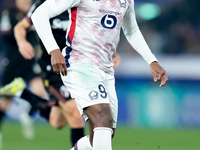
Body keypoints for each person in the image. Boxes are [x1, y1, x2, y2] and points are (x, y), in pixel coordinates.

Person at [31, 0, 168, 150]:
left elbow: (131, 30)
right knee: (103, 117)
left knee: (103, 134)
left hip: (106, 70)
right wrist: (54, 50)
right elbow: (39, 14)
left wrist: (152, 60)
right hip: (79, 62)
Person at [0, 0, 85, 146]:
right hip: (52, 68)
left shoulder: (81, 5)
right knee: (76, 116)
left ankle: (21, 92)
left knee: (57, 121)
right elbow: (20, 27)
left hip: (76, 68)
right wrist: (22, 42)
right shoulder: (43, 4)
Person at [0, 0, 46, 140]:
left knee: (40, 91)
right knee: (6, 100)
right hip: (13, 61)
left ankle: (27, 115)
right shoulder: (10, 13)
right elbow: (5, 35)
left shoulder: (36, 11)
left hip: (30, 61)